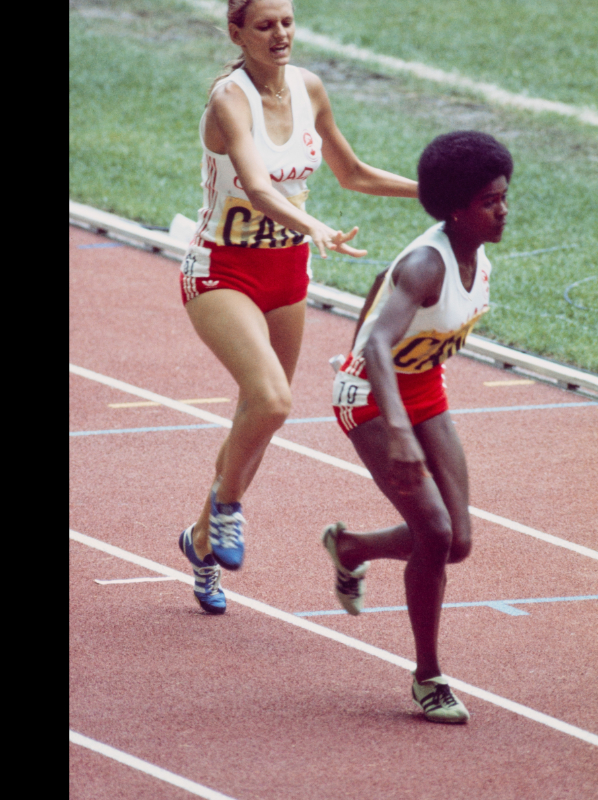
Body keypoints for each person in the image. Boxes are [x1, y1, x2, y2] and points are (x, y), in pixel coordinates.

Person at [176, 0, 418, 615]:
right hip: (222, 270)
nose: (280, 33)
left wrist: (433, 191)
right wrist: (312, 224)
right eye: (264, 25)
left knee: (259, 416)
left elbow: (352, 172)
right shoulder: (229, 99)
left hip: (286, 274)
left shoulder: (309, 87)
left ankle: (201, 541)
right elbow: (257, 187)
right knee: (273, 400)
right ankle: (227, 509)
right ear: (237, 33)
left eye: (286, 21)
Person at [325, 130, 513, 724]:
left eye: (504, 197)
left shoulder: (476, 256)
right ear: (454, 208)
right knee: (432, 531)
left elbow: (380, 284)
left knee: (457, 542)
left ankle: (351, 547)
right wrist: (399, 430)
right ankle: (428, 677)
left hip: (425, 388)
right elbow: (378, 343)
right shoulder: (427, 263)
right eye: (489, 201)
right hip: (370, 396)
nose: (503, 210)